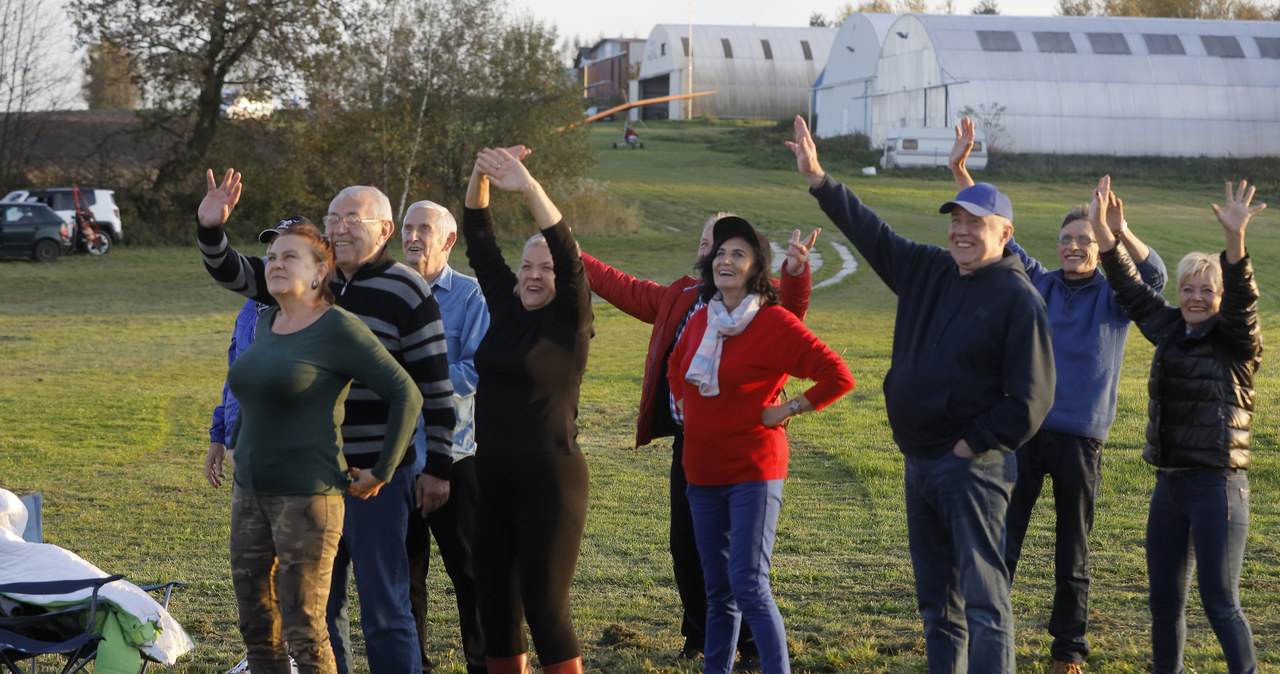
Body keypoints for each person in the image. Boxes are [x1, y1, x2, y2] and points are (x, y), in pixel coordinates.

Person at [787, 115, 1055, 673]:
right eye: (955, 220)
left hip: (973, 469)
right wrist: (820, 181)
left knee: (984, 605)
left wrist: (970, 445)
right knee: (938, 607)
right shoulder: (928, 270)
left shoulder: (1017, 298)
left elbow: (1031, 399)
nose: (960, 231)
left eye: (974, 223)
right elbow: (872, 233)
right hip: (920, 464)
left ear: (1004, 234)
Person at [197, 171, 455, 674]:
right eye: (332, 217)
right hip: (309, 476)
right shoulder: (312, 284)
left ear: (383, 231)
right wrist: (211, 229)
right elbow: (238, 272)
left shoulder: (405, 289)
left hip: (372, 478)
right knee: (316, 610)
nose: (338, 227)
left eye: (351, 219)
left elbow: (430, 385)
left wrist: (436, 464)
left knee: (385, 604)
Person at [949, 121, 1167, 674]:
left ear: (1099, 248)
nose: (1073, 246)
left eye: (1084, 240)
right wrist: (960, 173)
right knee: (1004, 540)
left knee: (1072, 553)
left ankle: (1068, 649)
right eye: (1067, 239)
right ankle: (987, 633)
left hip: (1081, 439)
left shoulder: (1116, 295)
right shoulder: (1039, 284)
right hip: (1026, 432)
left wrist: (1118, 229)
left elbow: (1155, 276)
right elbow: (998, 237)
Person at [581, 217, 816, 665]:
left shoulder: (757, 305)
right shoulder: (683, 296)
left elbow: (792, 310)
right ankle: (701, 636)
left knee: (742, 562)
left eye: (726, 248)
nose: (714, 255)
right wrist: (571, 252)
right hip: (692, 444)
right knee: (686, 545)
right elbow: (624, 287)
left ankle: (748, 647)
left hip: (747, 448)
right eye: (708, 245)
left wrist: (797, 272)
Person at [1087, 177, 1264, 674]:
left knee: (1219, 601)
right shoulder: (1169, 328)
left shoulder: (1236, 343)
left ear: (1219, 296)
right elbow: (1128, 286)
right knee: (1164, 603)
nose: (1193, 297)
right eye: (1187, 288)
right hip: (1170, 487)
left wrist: (1235, 240)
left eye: (1205, 290)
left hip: (1219, 488)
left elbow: (1243, 303)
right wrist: (1107, 232)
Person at [667, 216, 854, 674]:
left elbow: (838, 375)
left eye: (738, 254)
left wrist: (789, 409)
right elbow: (676, 365)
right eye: (720, 253)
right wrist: (686, 407)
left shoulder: (774, 324)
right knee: (718, 594)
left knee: (749, 583)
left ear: (755, 270)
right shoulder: (701, 320)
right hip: (702, 472)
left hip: (754, 470)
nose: (725, 260)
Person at [462, 146, 592, 674]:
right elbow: (478, 235)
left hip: (550, 480)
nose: (534, 276)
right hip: (489, 477)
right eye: (527, 267)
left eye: (545, 269)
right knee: (495, 609)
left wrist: (528, 186)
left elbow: (566, 250)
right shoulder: (504, 302)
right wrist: (479, 174)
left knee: (544, 607)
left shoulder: (570, 320)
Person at [401, 200, 490, 674]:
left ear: (449, 240)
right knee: (405, 578)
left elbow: (477, 369)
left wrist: (409, 380)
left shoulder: (472, 296)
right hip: (394, 461)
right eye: (407, 228)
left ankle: (482, 661)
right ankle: (414, 663)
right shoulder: (386, 290)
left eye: (424, 229)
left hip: (454, 458)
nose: (413, 237)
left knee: (470, 572)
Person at [204, 297, 259, 488]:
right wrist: (218, 438)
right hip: (242, 453)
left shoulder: (303, 312)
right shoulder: (250, 308)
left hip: (280, 455)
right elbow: (235, 377)